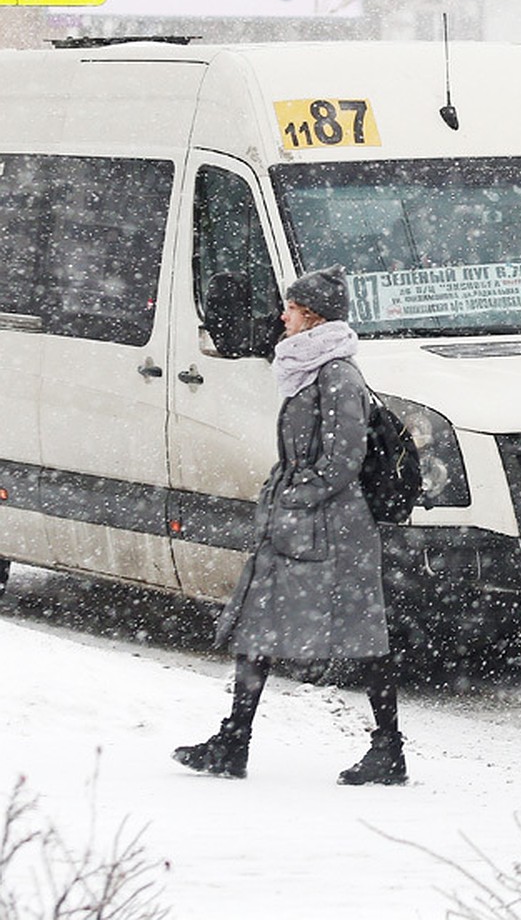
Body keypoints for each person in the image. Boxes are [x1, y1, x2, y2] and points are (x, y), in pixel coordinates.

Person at [173, 266, 407, 785]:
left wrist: (299, 495)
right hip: (298, 524)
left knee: (361, 634)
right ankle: (234, 741)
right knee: (258, 625)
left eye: (292, 309)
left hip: (334, 529)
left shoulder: (338, 374)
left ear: (313, 317)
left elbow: (346, 457)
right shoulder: (307, 368)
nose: (283, 316)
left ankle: (388, 748)